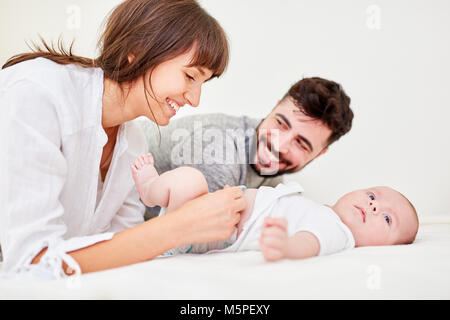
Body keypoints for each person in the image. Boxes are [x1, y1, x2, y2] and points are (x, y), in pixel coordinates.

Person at [0, 0, 247, 279]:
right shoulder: (36, 94)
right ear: (137, 50)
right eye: (190, 76)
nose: (195, 99)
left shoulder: (134, 144)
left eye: (203, 83)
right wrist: (179, 227)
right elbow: (30, 264)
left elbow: (122, 253)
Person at [139, 77, 354, 219]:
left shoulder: (269, 172)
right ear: (274, 107)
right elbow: (196, 235)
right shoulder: (218, 152)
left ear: (319, 154)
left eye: (301, 143)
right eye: (281, 123)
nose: (278, 145)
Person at [131, 154, 419, 259]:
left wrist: (286, 246)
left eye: (386, 218)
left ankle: (151, 192)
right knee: (189, 182)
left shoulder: (338, 232)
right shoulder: (322, 210)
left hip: (209, 230)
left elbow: (311, 243)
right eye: (372, 196)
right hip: (208, 212)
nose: (372, 207)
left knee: (188, 181)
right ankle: (152, 191)